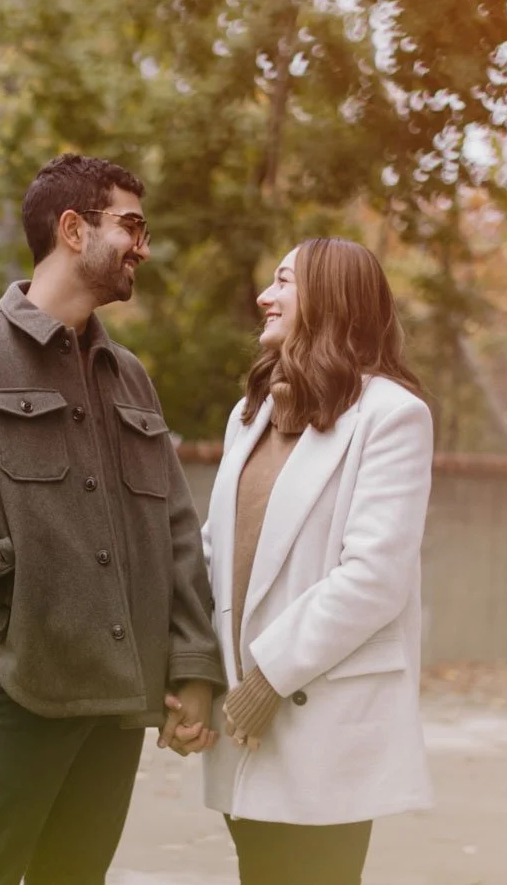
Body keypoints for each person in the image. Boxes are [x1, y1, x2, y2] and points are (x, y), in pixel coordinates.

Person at [0, 153, 225, 885]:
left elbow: (175, 530)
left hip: (117, 699)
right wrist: (8, 576)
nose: (142, 247)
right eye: (131, 226)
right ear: (73, 229)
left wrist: (193, 666)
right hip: (18, 686)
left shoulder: (130, 377)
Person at [184, 236, 435, 884]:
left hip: (320, 720)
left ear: (331, 297)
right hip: (242, 719)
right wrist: (192, 672)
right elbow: (214, 551)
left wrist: (267, 677)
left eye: (283, 281)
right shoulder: (253, 413)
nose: (264, 296)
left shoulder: (393, 416)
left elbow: (374, 577)